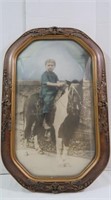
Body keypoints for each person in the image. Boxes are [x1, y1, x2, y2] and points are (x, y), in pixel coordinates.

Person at [40, 59, 65, 130]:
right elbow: (47, 83)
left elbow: (57, 81)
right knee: (48, 101)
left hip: (54, 91)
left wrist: (60, 83)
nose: (50, 67)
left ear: (54, 66)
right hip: (47, 92)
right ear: (45, 66)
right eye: (48, 65)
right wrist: (57, 84)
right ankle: (45, 121)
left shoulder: (54, 74)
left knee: (63, 95)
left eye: (52, 65)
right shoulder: (44, 74)